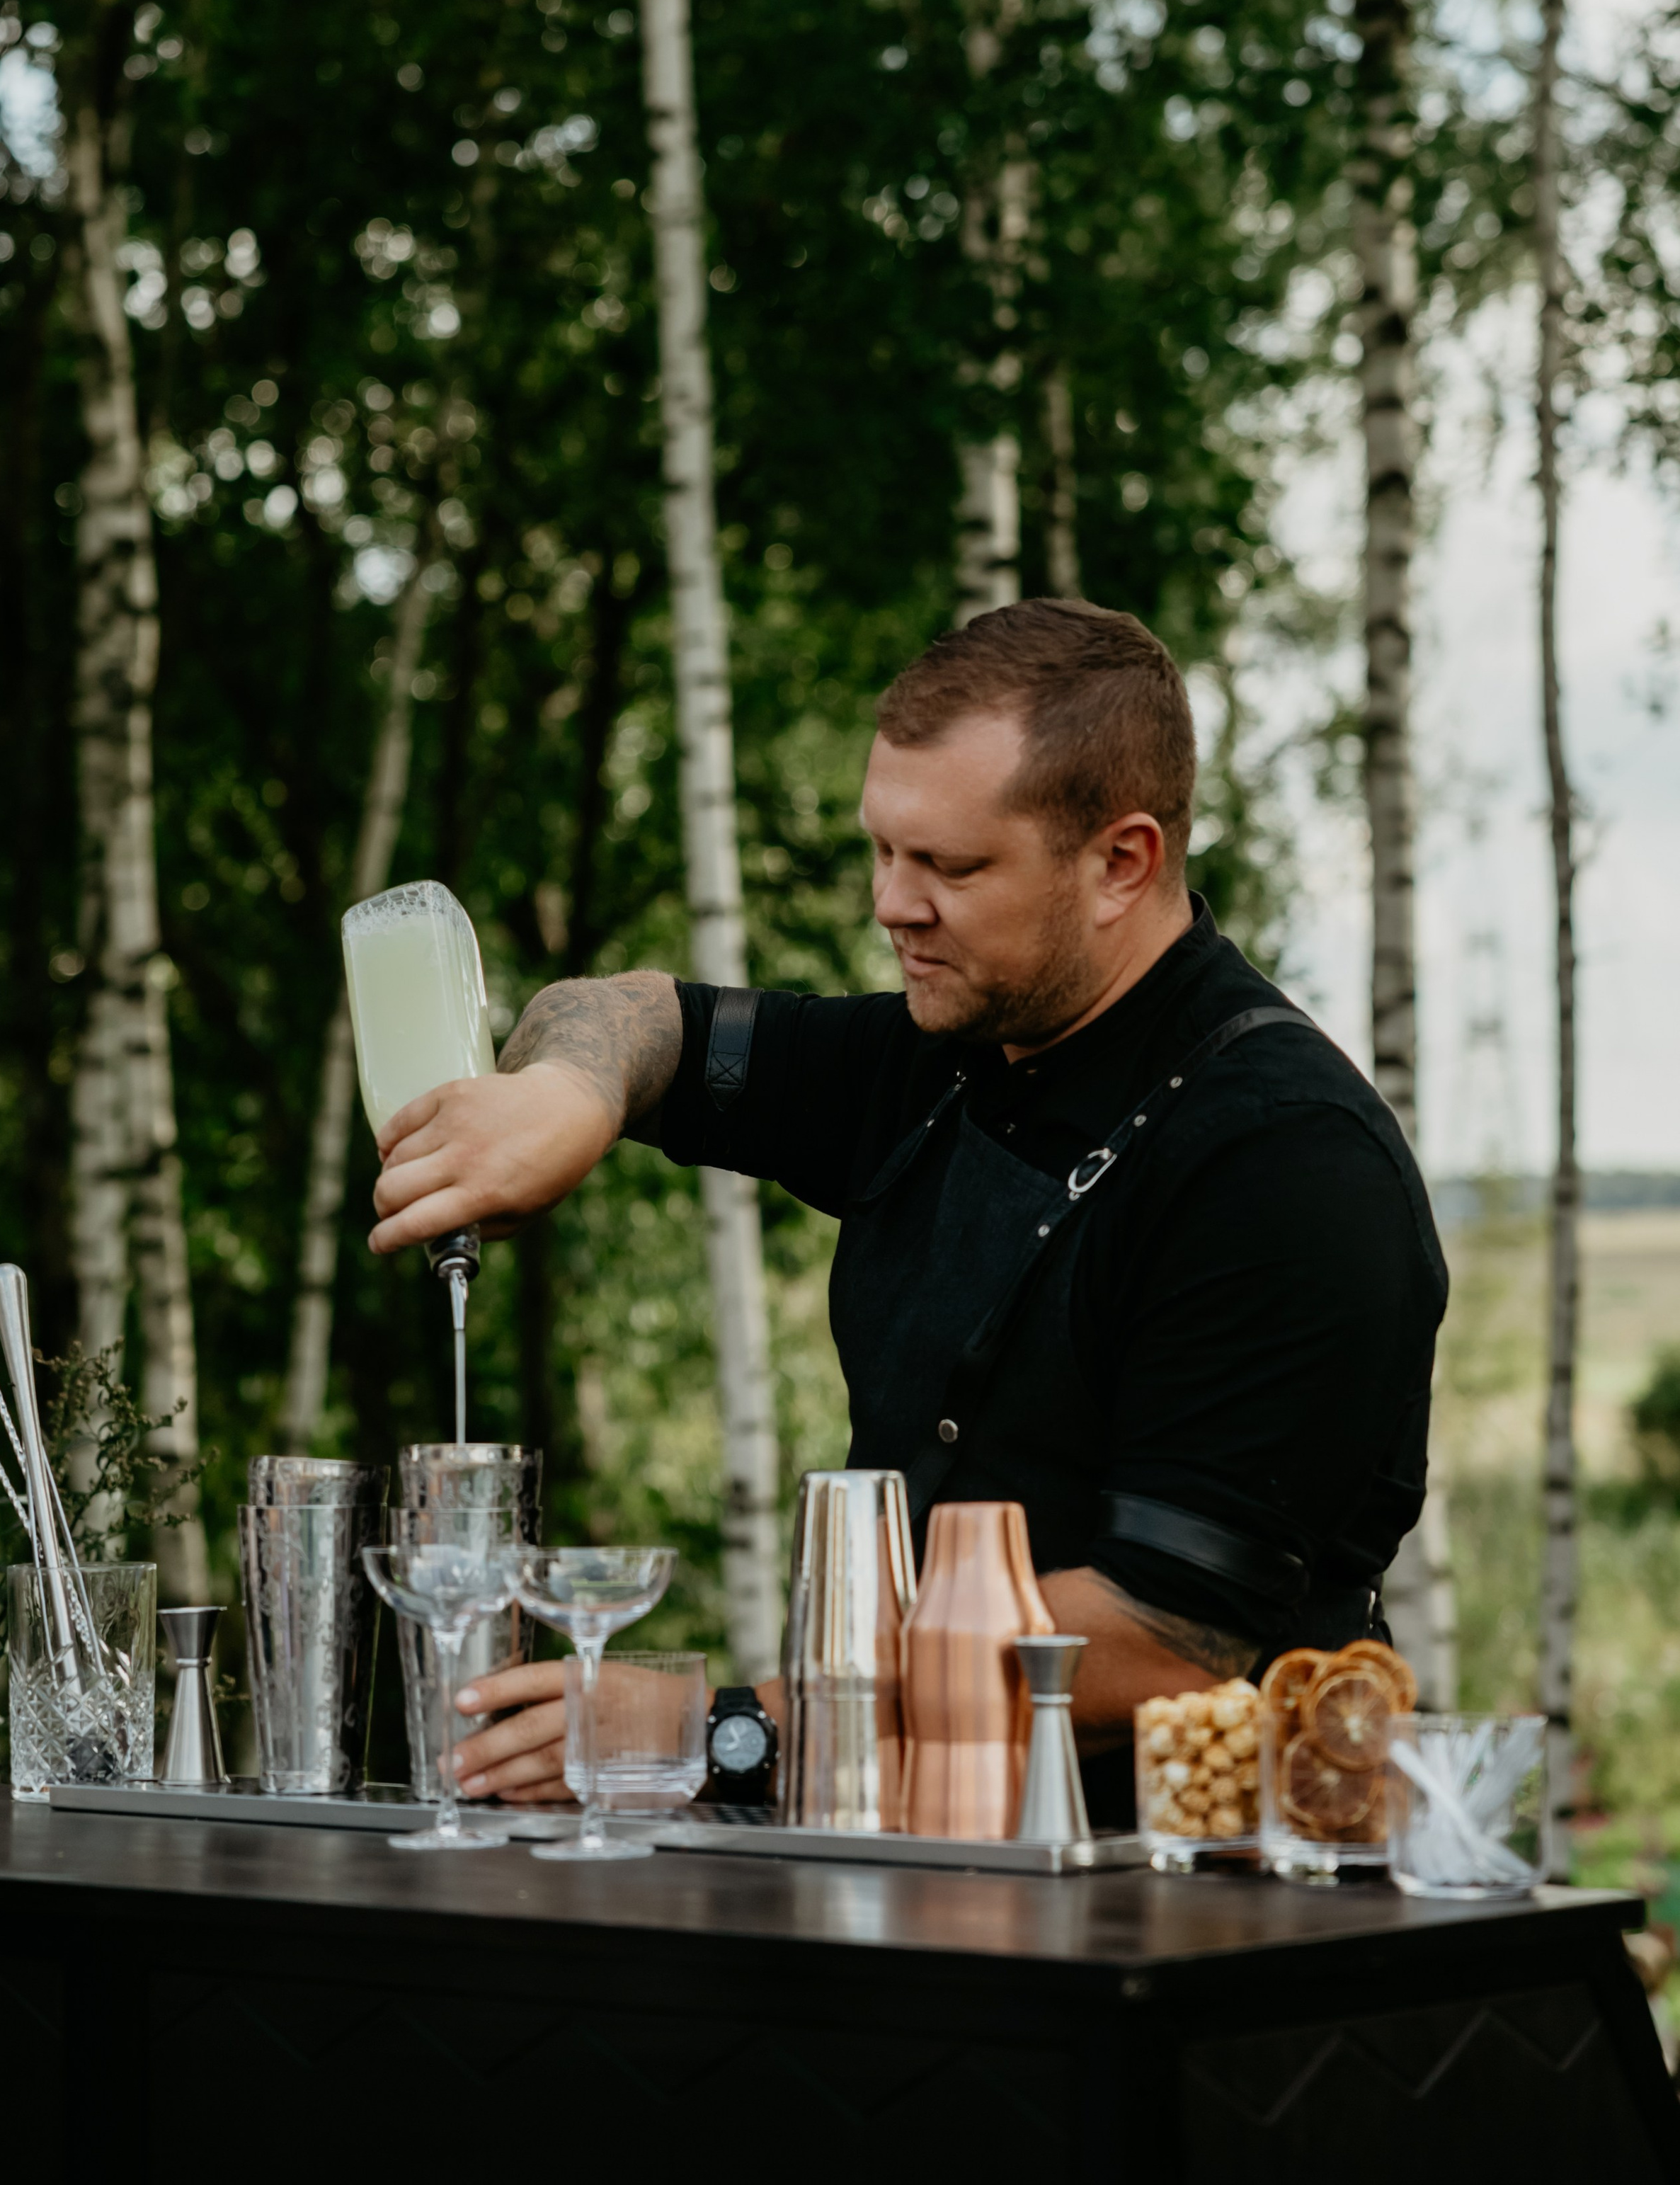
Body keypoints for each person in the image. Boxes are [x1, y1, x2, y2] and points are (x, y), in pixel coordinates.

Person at [367, 598, 1446, 1820]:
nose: (893, 903)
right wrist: (568, 1089)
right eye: (885, 850)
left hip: (1182, 1896)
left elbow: (1165, 1634)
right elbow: (638, 1013)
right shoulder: (942, 1052)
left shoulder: (1283, 1160)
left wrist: (720, 1729)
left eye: (953, 866)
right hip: (901, 1847)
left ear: (1122, 863)